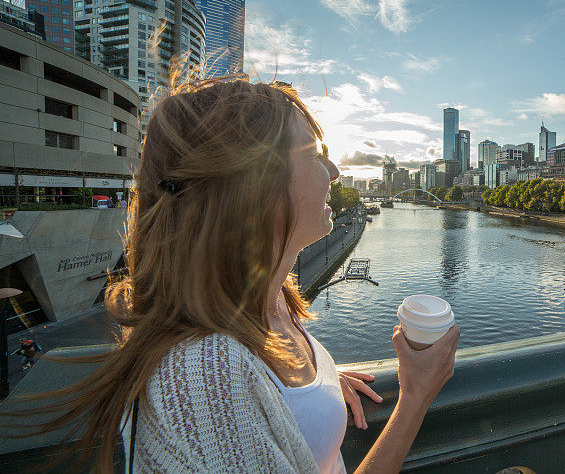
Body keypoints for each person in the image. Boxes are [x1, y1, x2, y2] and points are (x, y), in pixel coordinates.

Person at [20, 79, 459, 473]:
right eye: (313, 154)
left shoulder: (272, 304)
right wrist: (415, 398)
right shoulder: (204, 381)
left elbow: (268, 398)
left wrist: (320, 385)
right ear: (258, 186)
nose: (335, 172)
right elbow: (228, 401)